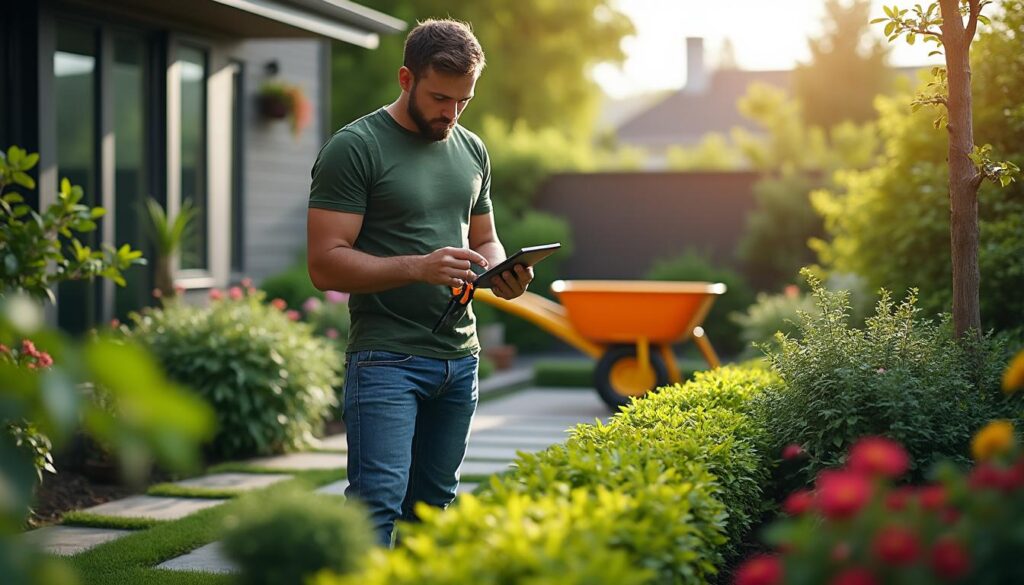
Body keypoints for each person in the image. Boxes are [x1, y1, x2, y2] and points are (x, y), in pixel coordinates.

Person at [306, 18, 533, 547]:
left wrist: (501, 273)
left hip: (460, 361)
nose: (450, 113)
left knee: (433, 511)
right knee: (376, 508)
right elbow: (324, 264)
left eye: (463, 101)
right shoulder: (354, 148)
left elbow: (486, 240)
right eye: (439, 98)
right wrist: (417, 266)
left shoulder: (473, 149)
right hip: (387, 360)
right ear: (405, 78)